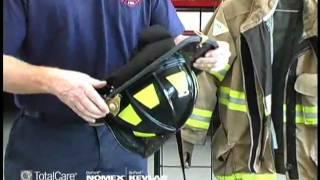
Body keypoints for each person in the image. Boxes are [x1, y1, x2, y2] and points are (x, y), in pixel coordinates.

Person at [3, 0, 231, 179]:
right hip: (48, 144)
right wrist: (53, 81)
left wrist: (207, 52)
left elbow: (170, 41)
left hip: (125, 140)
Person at [181, 0, 318, 179]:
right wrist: (188, 137)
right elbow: (204, 73)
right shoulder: (233, 12)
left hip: (307, 161)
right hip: (245, 159)